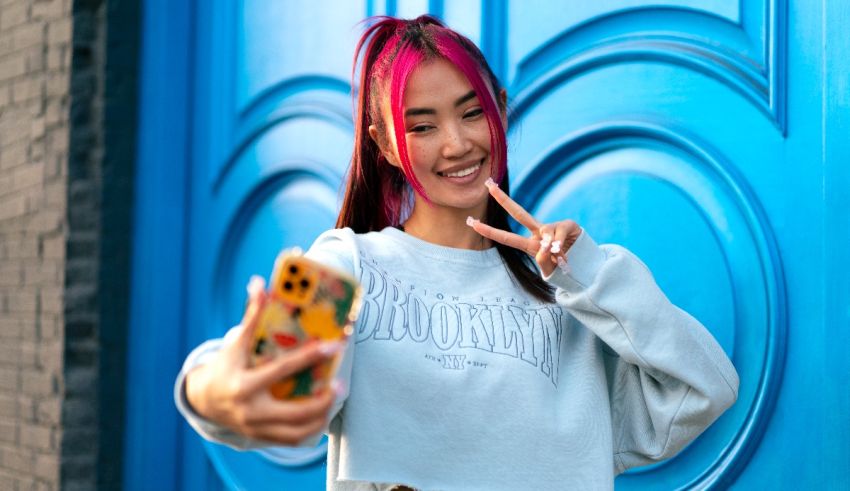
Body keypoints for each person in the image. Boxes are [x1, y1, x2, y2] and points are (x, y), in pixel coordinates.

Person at [175, 15, 739, 491]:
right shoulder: (347, 264)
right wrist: (214, 390)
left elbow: (706, 387)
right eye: (421, 126)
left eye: (471, 113)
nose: (457, 143)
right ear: (386, 145)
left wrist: (587, 273)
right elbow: (267, 371)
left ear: (499, 106)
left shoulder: (573, 298)